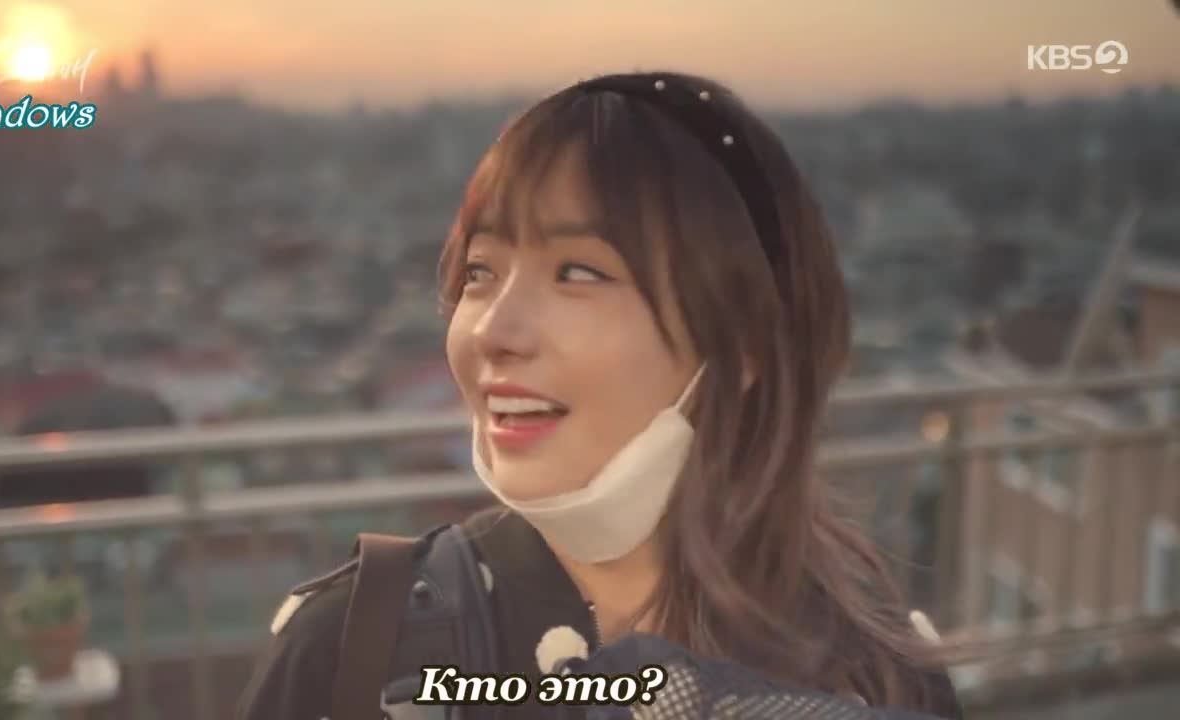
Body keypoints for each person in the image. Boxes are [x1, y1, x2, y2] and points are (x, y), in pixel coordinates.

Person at [238, 70, 963, 719]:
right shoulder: (355, 651)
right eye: (480, 272)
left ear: (744, 341)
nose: (492, 331)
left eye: (578, 273)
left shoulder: (875, 672)